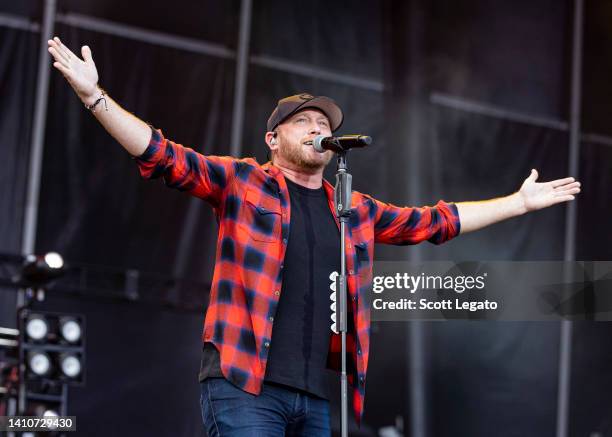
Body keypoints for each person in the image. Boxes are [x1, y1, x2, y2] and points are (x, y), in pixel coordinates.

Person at [47, 37, 581, 436]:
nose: (315, 126)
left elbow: (433, 222)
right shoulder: (243, 181)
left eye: (321, 120)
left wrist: (517, 203)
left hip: (314, 396)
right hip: (243, 386)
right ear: (272, 138)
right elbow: (162, 155)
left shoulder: (352, 209)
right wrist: (96, 98)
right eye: (302, 120)